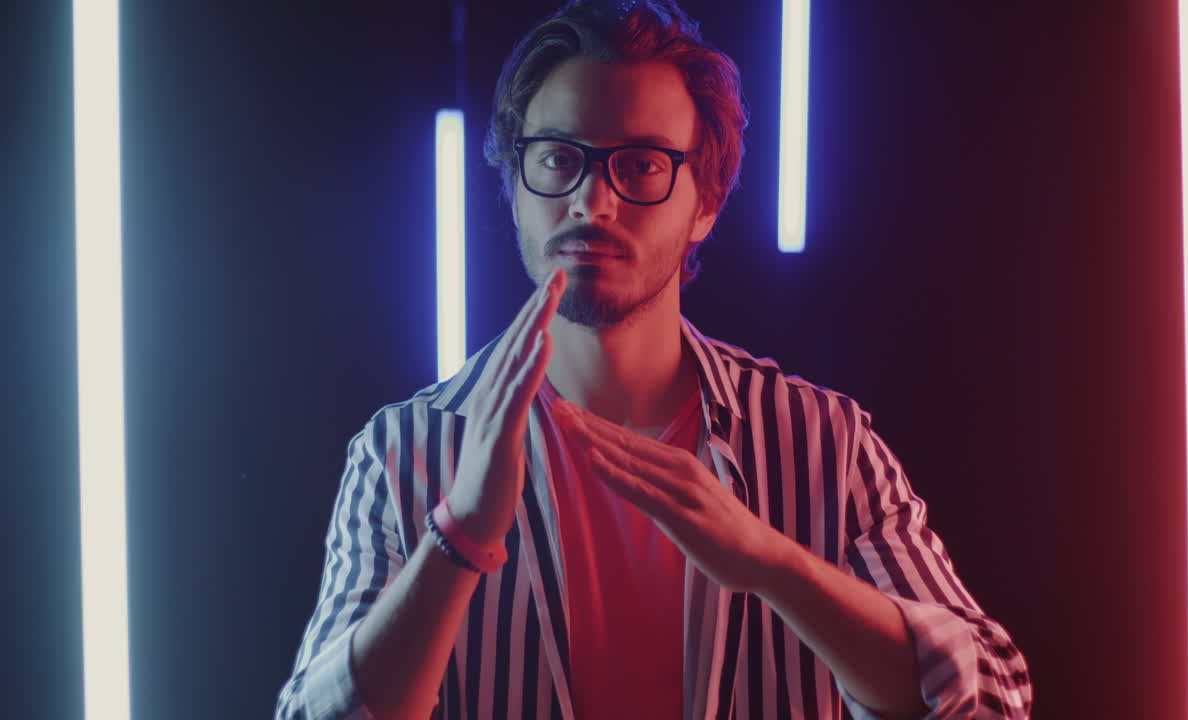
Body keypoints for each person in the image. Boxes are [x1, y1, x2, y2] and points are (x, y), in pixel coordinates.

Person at [275, 1, 1032, 718]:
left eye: (638, 166)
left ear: (706, 203)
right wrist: (461, 535)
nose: (591, 202)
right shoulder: (405, 454)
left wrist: (774, 565)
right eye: (558, 158)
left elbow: (994, 697)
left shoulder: (824, 446)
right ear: (513, 186)